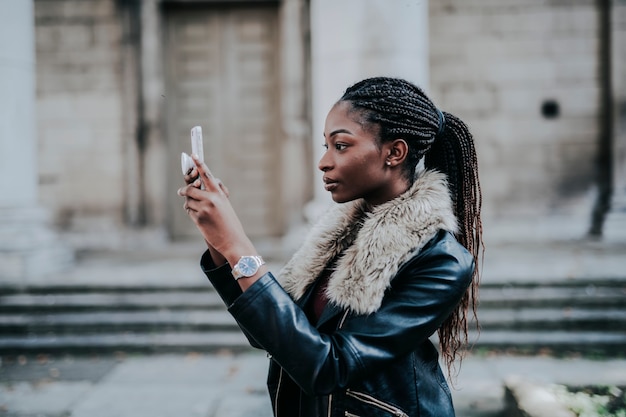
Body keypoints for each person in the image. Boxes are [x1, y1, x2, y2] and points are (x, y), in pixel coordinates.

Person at [178, 76, 483, 417]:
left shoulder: (440, 260)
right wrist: (217, 237)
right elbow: (274, 335)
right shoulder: (337, 238)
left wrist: (236, 243)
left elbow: (329, 367)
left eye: (340, 146)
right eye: (326, 146)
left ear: (394, 152)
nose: (324, 161)